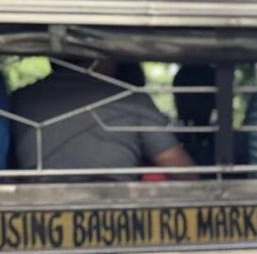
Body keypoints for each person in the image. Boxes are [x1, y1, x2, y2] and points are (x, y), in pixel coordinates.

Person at [10, 58, 195, 180]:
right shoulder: (131, 98)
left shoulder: (20, 99)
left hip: (37, 215)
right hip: (117, 212)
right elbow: (176, 164)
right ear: (99, 58)